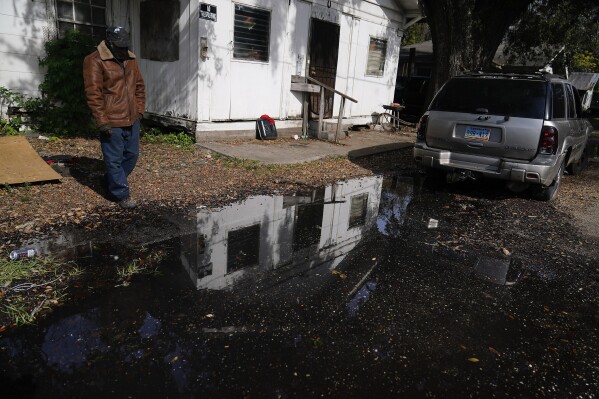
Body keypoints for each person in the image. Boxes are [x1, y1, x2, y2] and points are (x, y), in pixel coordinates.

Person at [83, 26, 145, 209]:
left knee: (132, 156)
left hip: (132, 118)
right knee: (113, 159)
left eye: (125, 45)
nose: (123, 50)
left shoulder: (130, 59)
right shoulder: (94, 60)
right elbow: (93, 94)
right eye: (119, 46)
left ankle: (110, 180)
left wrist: (139, 111)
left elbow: (140, 87)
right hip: (111, 120)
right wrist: (102, 121)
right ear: (109, 43)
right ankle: (121, 194)